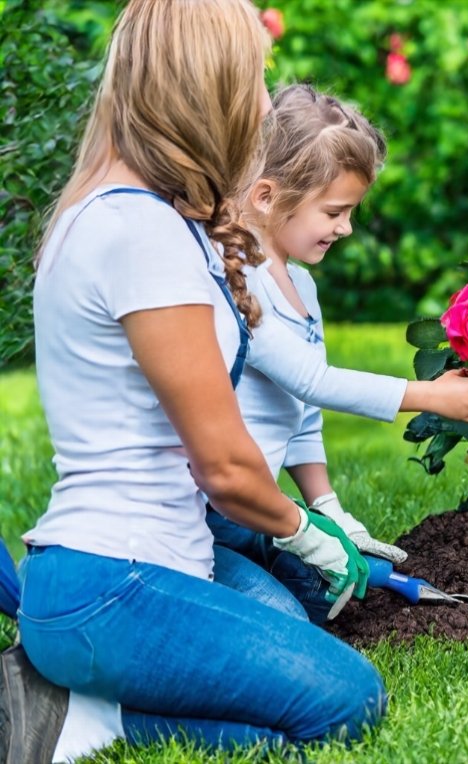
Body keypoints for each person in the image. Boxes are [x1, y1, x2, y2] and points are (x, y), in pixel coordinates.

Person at [7, 1, 385, 758]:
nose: (258, 104)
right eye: (252, 80)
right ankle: (80, 720)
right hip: (114, 584)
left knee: (291, 629)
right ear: (205, 89)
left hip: (120, 572)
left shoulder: (113, 211)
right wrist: (312, 532)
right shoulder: (138, 232)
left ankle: (72, 682)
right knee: (349, 699)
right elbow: (225, 464)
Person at [207, 83, 468, 623]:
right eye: (335, 212)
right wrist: (430, 397)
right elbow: (312, 381)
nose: (346, 228)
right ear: (268, 196)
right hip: (214, 512)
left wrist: (329, 512)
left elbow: (301, 416)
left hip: (257, 513)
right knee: (288, 621)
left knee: (332, 593)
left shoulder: (302, 287)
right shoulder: (238, 280)